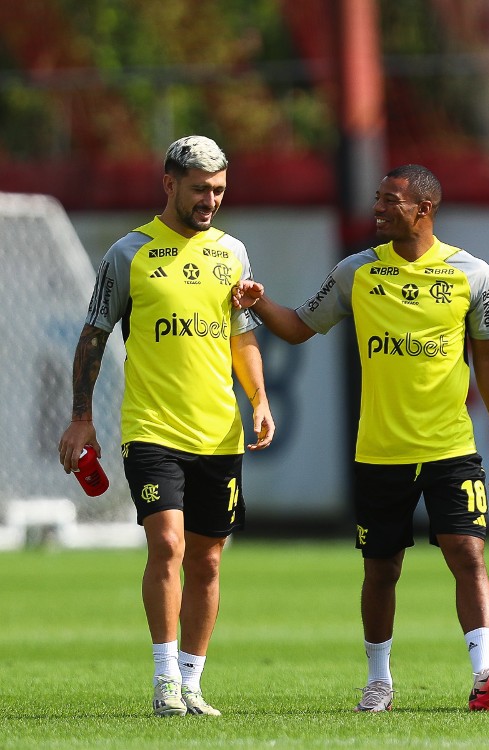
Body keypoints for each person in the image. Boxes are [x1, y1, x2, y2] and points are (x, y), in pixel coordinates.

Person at [232, 164, 489, 713]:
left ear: (423, 210)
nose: (378, 209)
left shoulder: (472, 274)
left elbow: (487, 355)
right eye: (377, 198)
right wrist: (257, 301)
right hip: (380, 450)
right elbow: (297, 327)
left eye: (390, 200)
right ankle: (379, 679)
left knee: (468, 554)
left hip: (451, 447)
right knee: (381, 567)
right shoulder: (356, 272)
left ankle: (484, 673)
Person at [57, 135, 275, 717]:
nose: (211, 200)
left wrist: (258, 398)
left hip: (219, 432)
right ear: (169, 184)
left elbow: (242, 335)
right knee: (169, 543)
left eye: (220, 190)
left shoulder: (233, 252)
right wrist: (81, 417)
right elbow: (94, 335)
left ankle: (192, 681)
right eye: (201, 189)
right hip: (151, 429)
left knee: (207, 559)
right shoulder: (128, 253)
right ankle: (163, 682)